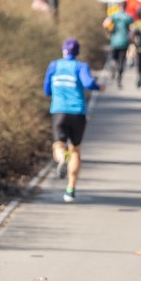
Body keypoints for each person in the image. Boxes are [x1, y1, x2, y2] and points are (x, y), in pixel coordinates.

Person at [43, 38, 102, 203]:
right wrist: (99, 87)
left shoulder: (53, 65)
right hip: (78, 113)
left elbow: (46, 89)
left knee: (58, 145)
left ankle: (62, 158)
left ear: (63, 50)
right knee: (75, 150)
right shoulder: (80, 66)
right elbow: (89, 83)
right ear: (77, 52)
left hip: (58, 111)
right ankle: (70, 190)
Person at [103, 1, 135, 88]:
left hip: (114, 40)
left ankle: (113, 64)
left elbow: (105, 24)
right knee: (122, 60)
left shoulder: (114, 15)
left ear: (119, 6)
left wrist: (109, 32)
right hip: (124, 41)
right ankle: (119, 78)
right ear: (126, 6)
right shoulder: (129, 17)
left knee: (114, 58)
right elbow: (133, 29)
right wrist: (132, 39)